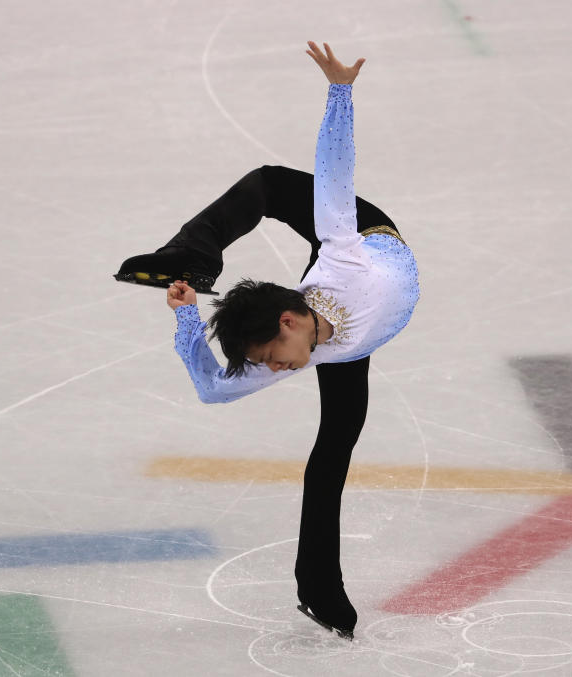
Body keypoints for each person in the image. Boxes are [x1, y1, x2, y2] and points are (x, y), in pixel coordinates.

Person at [115, 41, 419, 639]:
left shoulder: (342, 247)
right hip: (343, 341)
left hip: (367, 239)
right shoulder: (296, 346)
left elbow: (335, 168)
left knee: (270, 183)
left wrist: (340, 90)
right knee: (330, 457)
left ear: (286, 324)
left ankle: (193, 252)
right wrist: (184, 317)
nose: (274, 373)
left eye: (269, 361)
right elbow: (212, 390)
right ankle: (321, 594)